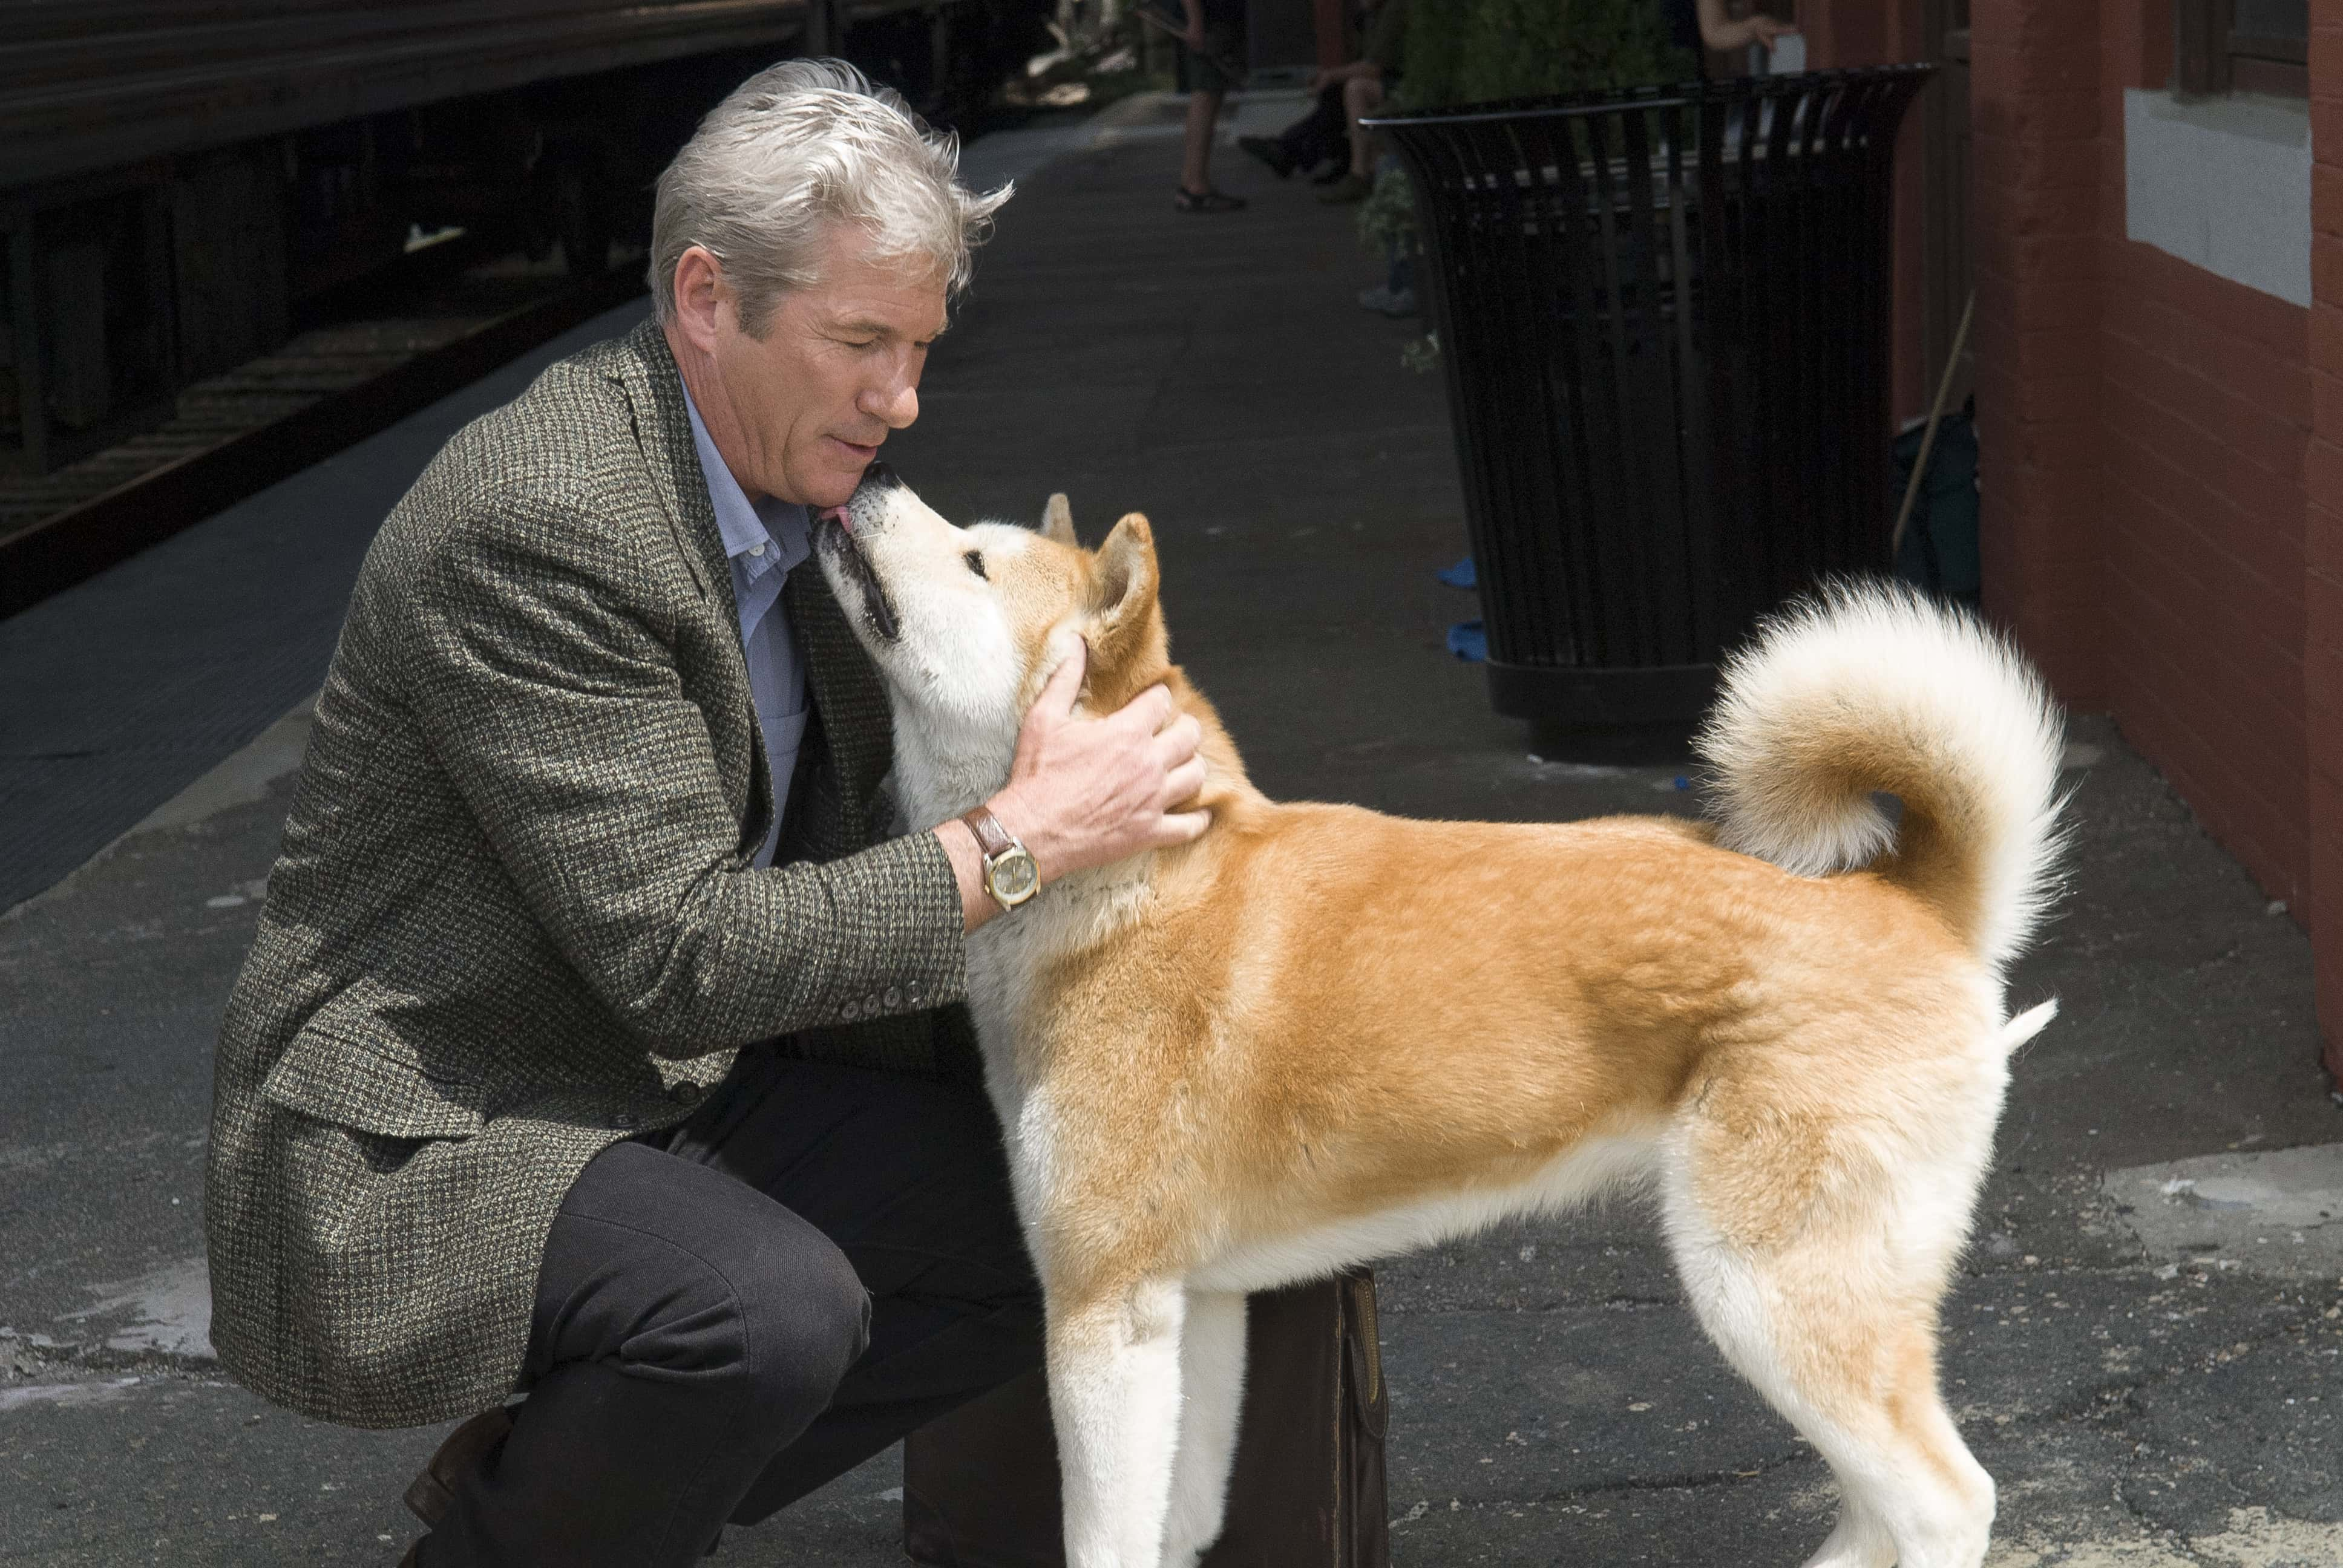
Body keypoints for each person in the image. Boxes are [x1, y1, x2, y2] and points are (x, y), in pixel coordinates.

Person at [203, 59, 1210, 1567]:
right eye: (861, 342)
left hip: (662, 1071)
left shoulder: (797, 486)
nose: (904, 397)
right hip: (444, 1117)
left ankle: (603, 1483)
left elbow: (841, 872)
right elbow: (688, 954)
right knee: (759, 1315)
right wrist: (1025, 839)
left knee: (1081, 1212)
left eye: (922, 345)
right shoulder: (544, 523)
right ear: (703, 300)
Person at [1296, 0, 1407, 206]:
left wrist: (1331, 75)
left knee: (1354, 88)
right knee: (1341, 91)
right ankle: (1346, 166)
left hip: (1403, 84)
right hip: (1389, 82)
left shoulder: (1395, 9)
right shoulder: (1372, 16)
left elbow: (1375, 67)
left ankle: (1358, 173)